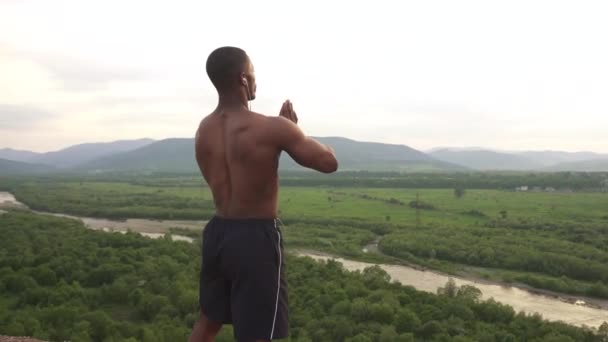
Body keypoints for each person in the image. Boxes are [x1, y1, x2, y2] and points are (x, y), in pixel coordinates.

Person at [189, 46, 338, 342]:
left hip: (217, 232)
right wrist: (294, 129)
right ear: (244, 79)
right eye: (254, 73)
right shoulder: (271, 128)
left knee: (209, 320)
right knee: (259, 333)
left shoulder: (203, 130)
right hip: (255, 238)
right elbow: (328, 163)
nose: (256, 80)